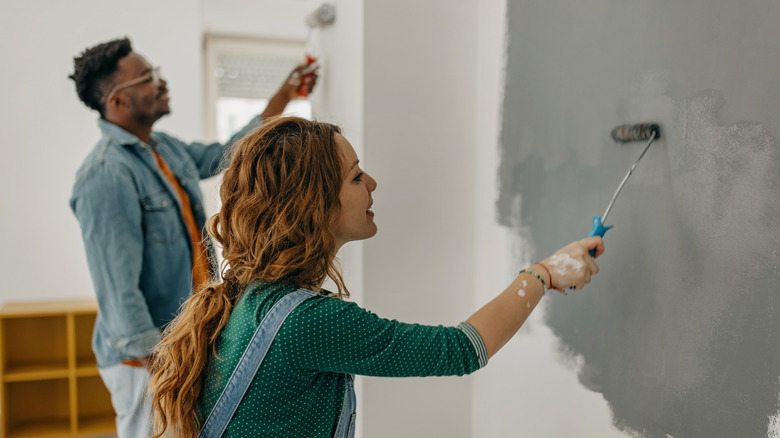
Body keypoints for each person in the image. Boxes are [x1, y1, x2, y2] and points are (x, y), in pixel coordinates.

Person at [148, 117, 605, 438]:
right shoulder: (306, 322)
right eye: (355, 177)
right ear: (316, 206)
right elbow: (463, 348)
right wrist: (543, 274)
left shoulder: (252, 296)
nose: (373, 183)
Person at [68, 37, 317, 438]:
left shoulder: (163, 148)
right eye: (148, 78)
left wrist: (285, 95)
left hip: (177, 345)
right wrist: (165, 364)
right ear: (116, 101)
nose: (161, 83)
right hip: (144, 359)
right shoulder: (106, 174)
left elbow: (232, 150)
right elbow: (119, 293)